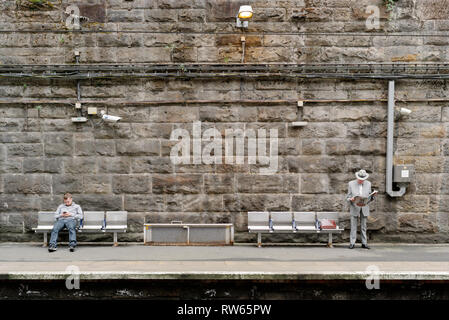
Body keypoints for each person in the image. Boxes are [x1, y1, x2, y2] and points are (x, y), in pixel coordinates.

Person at [346, 170, 377, 250]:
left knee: (364, 226)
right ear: (357, 177)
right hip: (354, 206)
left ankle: (364, 243)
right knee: (353, 226)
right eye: (360, 179)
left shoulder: (368, 184)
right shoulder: (351, 184)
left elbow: (369, 197)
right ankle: (352, 243)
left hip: (364, 207)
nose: (361, 180)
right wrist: (351, 199)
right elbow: (347, 197)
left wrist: (372, 196)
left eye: (363, 179)